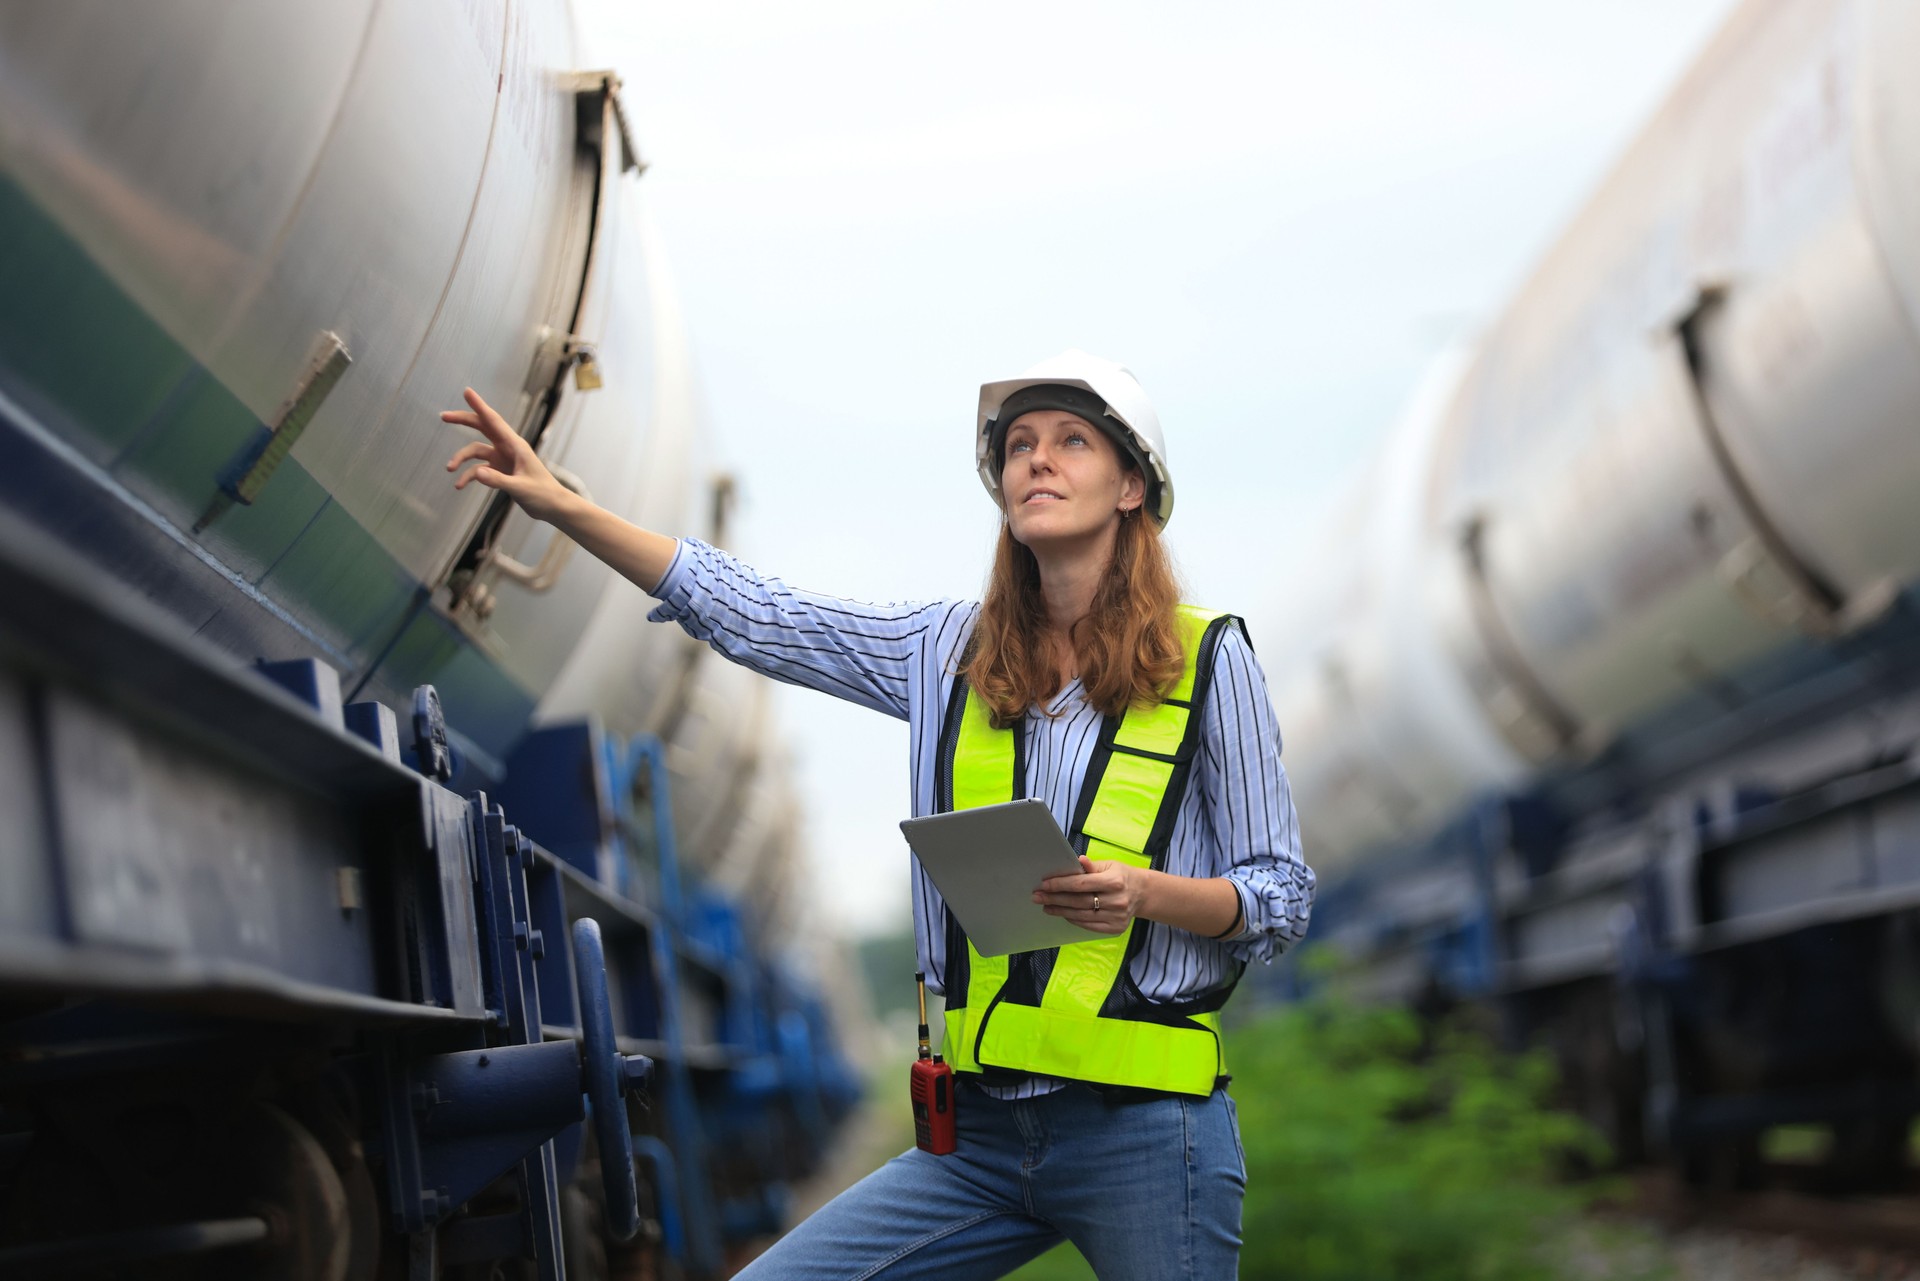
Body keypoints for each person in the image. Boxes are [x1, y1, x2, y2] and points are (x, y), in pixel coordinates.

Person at [444, 349, 1315, 1280]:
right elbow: (760, 614)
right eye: (1018, 446)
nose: (1037, 461)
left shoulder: (1210, 660)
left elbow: (1282, 895)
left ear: (1132, 484)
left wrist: (1147, 893)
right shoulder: (944, 651)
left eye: (1071, 441)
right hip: (979, 1143)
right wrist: (564, 506)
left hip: (1148, 1131)